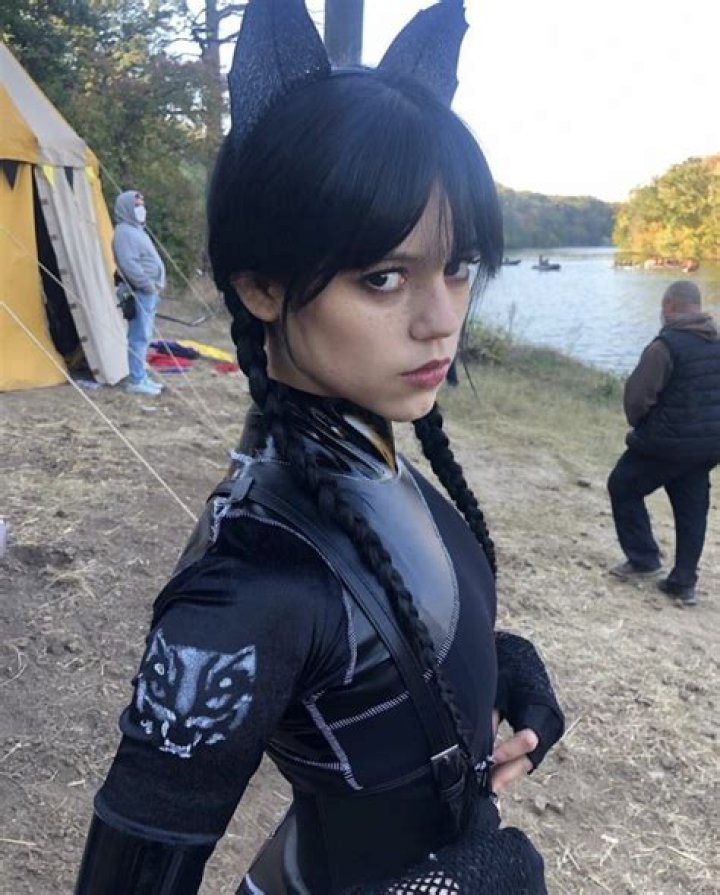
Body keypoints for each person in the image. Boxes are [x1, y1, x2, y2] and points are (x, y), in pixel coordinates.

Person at [75, 2, 565, 892]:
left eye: (457, 267)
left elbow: (376, 654)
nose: (441, 319)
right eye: (383, 276)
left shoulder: (370, 456)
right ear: (261, 285)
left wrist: (499, 669)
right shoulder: (246, 585)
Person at [608, 280, 720, 606]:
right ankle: (683, 583)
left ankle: (643, 559)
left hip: (665, 445)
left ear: (669, 305)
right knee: (692, 509)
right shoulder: (716, 343)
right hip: (707, 446)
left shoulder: (664, 346)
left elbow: (637, 397)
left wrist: (641, 425)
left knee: (622, 485)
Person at [112, 190, 166, 396]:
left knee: (145, 335)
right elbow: (129, 264)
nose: (141, 208)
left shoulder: (137, 230)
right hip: (139, 291)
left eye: (142, 204)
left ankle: (141, 375)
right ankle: (135, 380)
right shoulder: (124, 232)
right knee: (138, 336)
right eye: (136, 205)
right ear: (126, 207)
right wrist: (146, 284)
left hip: (148, 291)